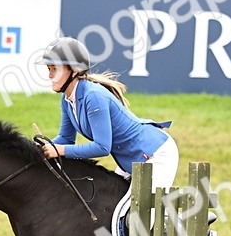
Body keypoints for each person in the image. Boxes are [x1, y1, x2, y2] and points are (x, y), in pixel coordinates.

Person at [36, 37, 179, 189]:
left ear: (75, 70)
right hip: (130, 160)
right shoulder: (66, 99)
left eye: (55, 69)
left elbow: (102, 147)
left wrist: (60, 150)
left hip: (155, 153)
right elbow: (66, 138)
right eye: (49, 69)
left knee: (142, 205)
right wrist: (40, 149)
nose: (50, 75)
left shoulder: (93, 96)